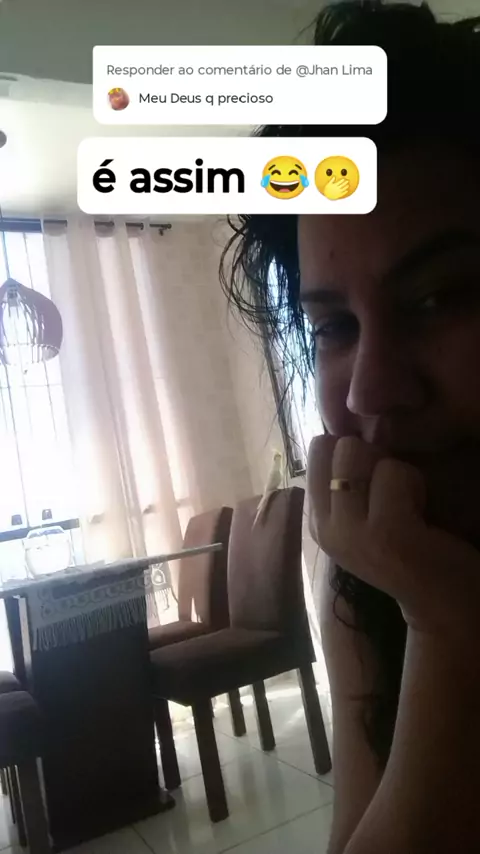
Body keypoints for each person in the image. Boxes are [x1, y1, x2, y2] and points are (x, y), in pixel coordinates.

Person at [220, 2, 480, 852]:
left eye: (439, 297)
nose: (371, 392)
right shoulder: (372, 582)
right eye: (333, 326)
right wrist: (445, 625)